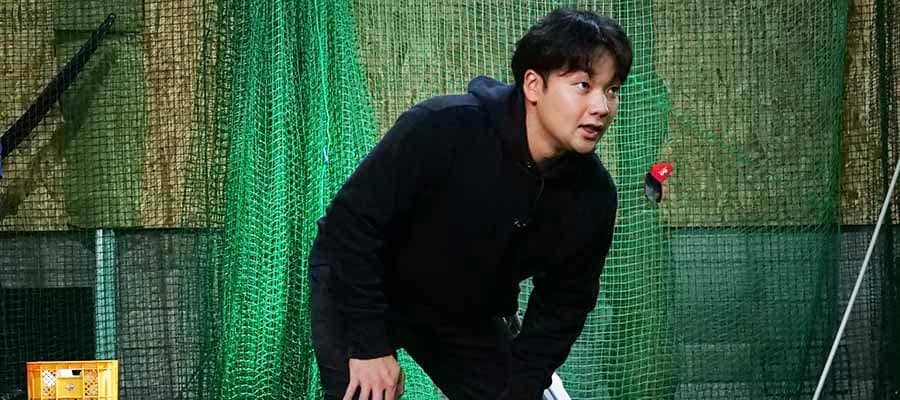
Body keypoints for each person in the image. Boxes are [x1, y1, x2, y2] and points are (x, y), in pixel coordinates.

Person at [308, 8, 632, 400]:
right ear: (534, 85)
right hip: (363, 281)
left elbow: (563, 307)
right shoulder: (444, 126)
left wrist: (521, 389)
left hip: (462, 311)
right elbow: (351, 229)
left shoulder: (594, 196)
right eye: (583, 85)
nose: (601, 107)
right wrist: (369, 346)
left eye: (612, 90)